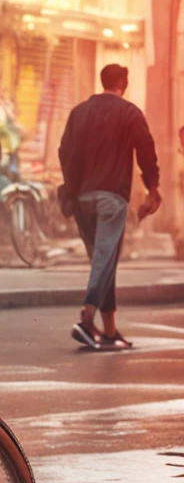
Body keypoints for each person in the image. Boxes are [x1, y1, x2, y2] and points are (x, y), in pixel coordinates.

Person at [58, 63, 161, 350]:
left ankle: (110, 330)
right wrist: (153, 187)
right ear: (123, 83)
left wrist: (73, 189)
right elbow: (146, 149)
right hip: (111, 198)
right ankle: (87, 318)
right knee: (104, 259)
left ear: (101, 81)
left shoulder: (78, 112)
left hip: (82, 199)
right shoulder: (129, 112)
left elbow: (64, 151)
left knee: (104, 262)